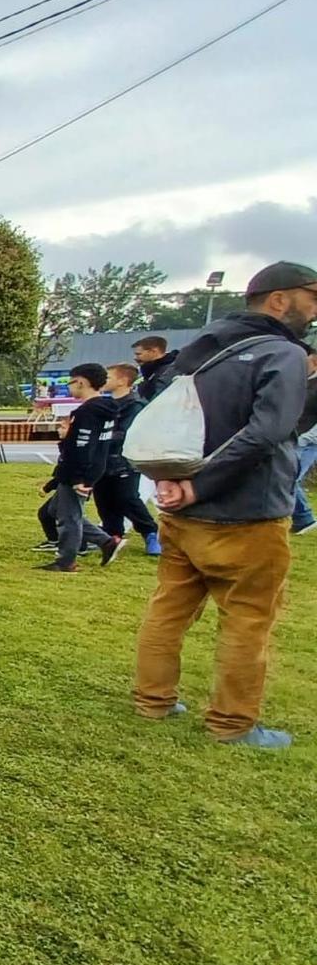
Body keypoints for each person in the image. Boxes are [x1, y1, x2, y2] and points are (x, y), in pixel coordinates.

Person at [133, 261, 317, 748]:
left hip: (180, 508)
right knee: (249, 617)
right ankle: (232, 723)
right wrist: (201, 484)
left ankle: (153, 699)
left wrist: (176, 483)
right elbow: (270, 431)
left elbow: (164, 422)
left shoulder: (199, 349)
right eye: (311, 298)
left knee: (169, 608)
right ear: (279, 300)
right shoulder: (282, 353)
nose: (313, 311)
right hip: (248, 512)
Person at [36, 364, 124, 573]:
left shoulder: (87, 412)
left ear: (81, 383)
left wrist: (78, 478)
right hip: (90, 468)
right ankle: (106, 542)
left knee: (69, 517)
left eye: (70, 382)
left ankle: (66, 561)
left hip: (79, 471)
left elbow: (82, 446)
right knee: (54, 510)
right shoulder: (105, 409)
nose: (69, 387)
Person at [93, 364, 159, 556]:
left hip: (124, 462)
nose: (103, 381)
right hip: (102, 461)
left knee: (127, 498)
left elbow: (127, 433)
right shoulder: (105, 404)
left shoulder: (135, 405)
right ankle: (113, 535)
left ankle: (150, 532)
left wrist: (101, 437)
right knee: (104, 500)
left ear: (122, 380)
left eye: (108, 377)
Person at [133, 335, 177, 401]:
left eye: (138, 354)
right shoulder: (147, 372)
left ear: (153, 351)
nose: (135, 358)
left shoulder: (168, 372)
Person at [292, 419, 317, 536]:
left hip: (307, 443)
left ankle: (304, 519)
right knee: (288, 478)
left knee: (289, 479)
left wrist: (304, 439)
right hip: (299, 439)